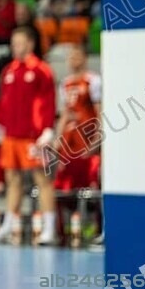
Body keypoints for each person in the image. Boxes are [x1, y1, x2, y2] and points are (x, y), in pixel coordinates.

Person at [0, 28, 57, 245]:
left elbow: (48, 101)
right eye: (13, 43)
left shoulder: (41, 70)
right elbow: (3, 104)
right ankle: (8, 225)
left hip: (32, 137)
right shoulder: (8, 70)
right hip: (11, 136)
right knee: (12, 180)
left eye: (19, 43)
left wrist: (47, 131)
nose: (15, 46)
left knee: (42, 180)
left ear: (31, 44)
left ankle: (49, 228)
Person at [53, 44, 101, 192]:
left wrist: (97, 139)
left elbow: (100, 112)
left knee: (89, 182)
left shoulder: (93, 80)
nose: (73, 60)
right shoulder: (65, 83)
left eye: (77, 56)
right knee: (65, 185)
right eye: (71, 57)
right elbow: (64, 115)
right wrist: (57, 140)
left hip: (87, 135)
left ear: (85, 59)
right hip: (70, 139)